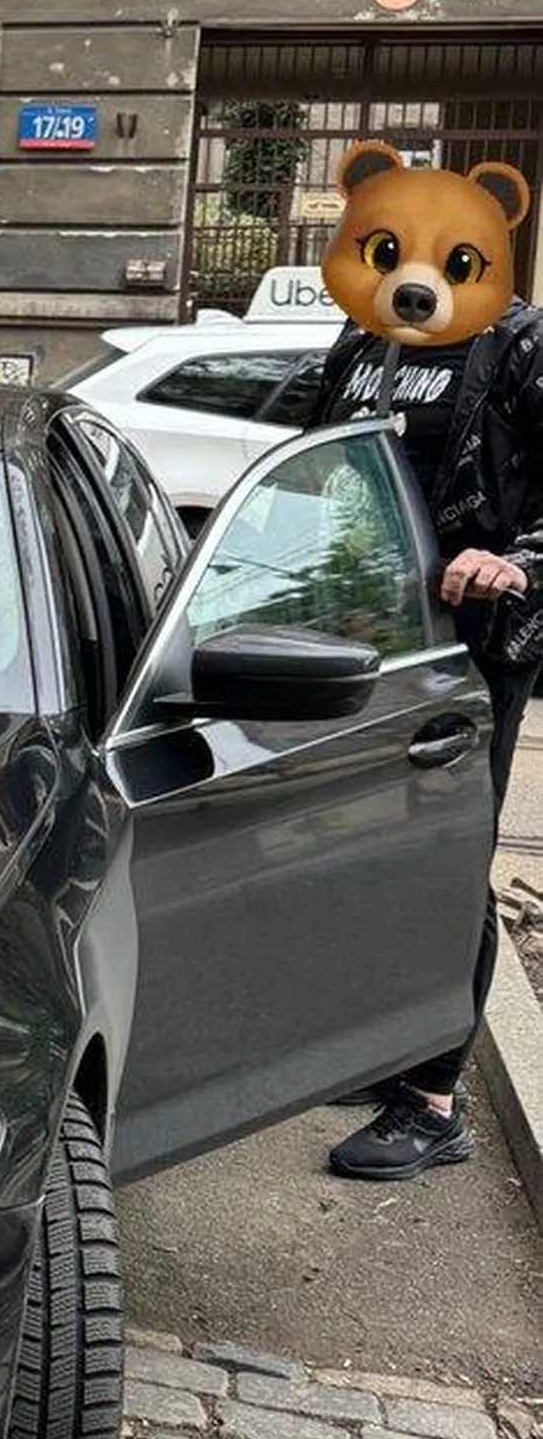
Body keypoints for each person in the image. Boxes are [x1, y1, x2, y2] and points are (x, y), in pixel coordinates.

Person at [312, 302, 543, 1179]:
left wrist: (516, 563)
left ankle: (434, 1101)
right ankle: (386, 1048)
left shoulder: (520, 343)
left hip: (474, 645)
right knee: (376, 847)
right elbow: (314, 466)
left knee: (447, 859)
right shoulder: (366, 335)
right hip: (370, 634)